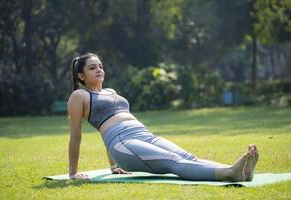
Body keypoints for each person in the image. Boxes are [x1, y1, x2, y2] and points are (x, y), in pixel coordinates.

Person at [67, 52, 259, 182]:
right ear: (81, 76)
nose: (99, 69)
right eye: (92, 68)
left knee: (186, 156)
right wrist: (73, 173)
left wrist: (113, 166)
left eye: (100, 66)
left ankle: (240, 172)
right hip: (122, 142)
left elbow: (107, 126)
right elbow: (76, 136)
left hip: (144, 135)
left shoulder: (111, 91)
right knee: (173, 162)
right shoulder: (80, 96)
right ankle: (229, 173)